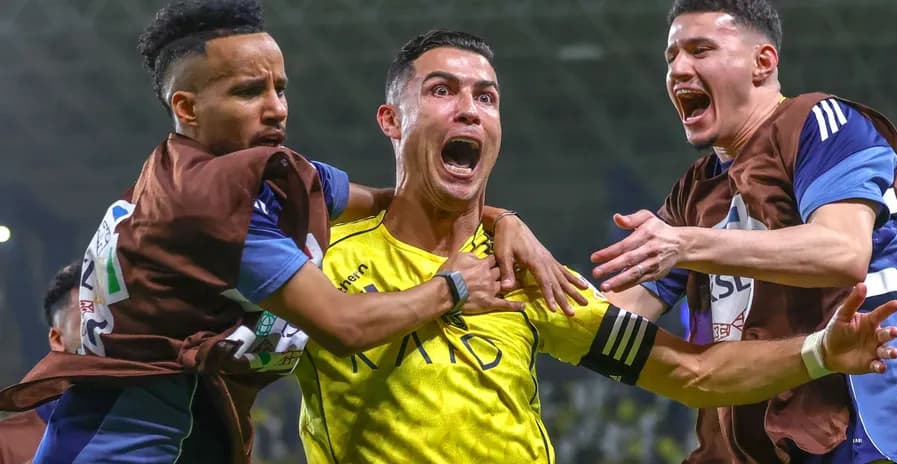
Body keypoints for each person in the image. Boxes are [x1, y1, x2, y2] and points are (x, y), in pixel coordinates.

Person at [0, 1, 584, 462]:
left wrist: (503, 218)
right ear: (187, 109)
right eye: (249, 92)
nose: (277, 108)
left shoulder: (263, 173)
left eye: (280, 87)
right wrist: (451, 288)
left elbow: (394, 199)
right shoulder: (204, 207)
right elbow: (345, 327)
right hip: (122, 451)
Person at [294, 29, 897, 464]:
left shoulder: (525, 277)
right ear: (391, 120)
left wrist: (822, 351)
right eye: (442, 91)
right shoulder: (322, 256)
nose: (470, 111)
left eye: (486, 97)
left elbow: (690, 372)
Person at [588, 1, 897, 462]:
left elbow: (842, 251)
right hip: (756, 445)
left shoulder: (820, 123)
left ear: (763, 62)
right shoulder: (693, 193)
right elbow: (609, 317)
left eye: (700, 50)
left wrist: (686, 244)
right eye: (671, 57)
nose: (679, 69)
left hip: (878, 432)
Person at [0, 262, 81, 463]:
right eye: (89, 317)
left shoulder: (159, 421)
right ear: (57, 339)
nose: (106, 331)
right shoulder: (6, 442)